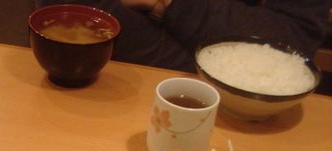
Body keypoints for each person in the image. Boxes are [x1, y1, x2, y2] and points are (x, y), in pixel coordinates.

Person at [34, 0, 330, 72]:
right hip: (99, 84)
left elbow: (295, 41)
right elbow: (69, 17)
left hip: (249, 113)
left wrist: (166, 4)